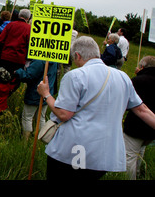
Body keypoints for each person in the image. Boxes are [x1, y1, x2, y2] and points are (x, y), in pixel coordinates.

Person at [37, 36, 155, 180]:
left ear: (77, 55)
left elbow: (64, 114)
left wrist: (46, 94)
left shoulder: (74, 76)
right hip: (104, 154)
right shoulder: (123, 77)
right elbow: (143, 110)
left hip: (72, 150)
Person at [123, 56, 155, 179]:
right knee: (140, 151)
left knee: (129, 156)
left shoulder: (138, 81)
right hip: (152, 129)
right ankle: (139, 173)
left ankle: (129, 177)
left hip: (136, 127)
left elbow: (126, 102)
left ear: (142, 67)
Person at [15, 60, 58, 141]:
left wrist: (17, 71)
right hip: (47, 94)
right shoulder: (54, 60)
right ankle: (41, 139)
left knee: (27, 117)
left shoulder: (39, 61)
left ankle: (25, 140)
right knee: (41, 117)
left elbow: (28, 76)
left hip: (35, 93)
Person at [0, 9, 31, 73]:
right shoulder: (29, 28)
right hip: (19, 59)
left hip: (6, 57)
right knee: (15, 80)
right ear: (28, 18)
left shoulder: (10, 25)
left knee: (3, 79)